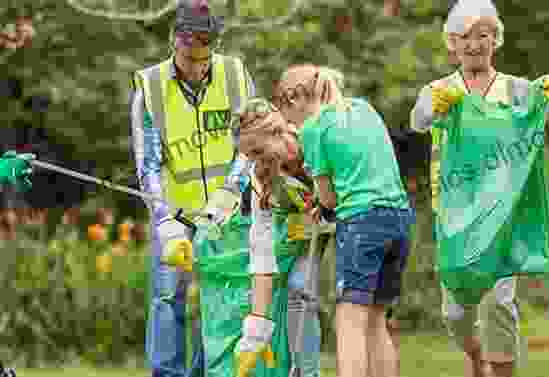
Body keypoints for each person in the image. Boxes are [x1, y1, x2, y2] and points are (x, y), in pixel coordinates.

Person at [408, 1, 549, 376]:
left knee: (498, 302)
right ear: (452, 44)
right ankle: (476, 356)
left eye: (483, 35)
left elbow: (543, 125)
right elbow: (416, 122)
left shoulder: (515, 89)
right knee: (454, 311)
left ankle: (502, 370)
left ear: (496, 40)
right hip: (454, 212)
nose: (474, 44)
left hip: (502, 211)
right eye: (465, 36)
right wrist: (431, 107)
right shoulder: (440, 88)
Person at [128, 1, 256, 376]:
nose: (197, 67)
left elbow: (250, 142)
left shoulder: (234, 75)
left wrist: (232, 192)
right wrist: (164, 221)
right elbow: (147, 163)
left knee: (219, 299)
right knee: (169, 297)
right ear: (175, 44)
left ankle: (207, 371)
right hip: (176, 214)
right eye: (188, 57)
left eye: (204, 57)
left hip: (224, 213)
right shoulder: (150, 88)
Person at [267, 64, 413, 377]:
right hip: (399, 219)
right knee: (376, 320)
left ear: (294, 99)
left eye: (286, 114)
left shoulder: (313, 129)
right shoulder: (363, 108)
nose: (290, 124)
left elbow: (329, 198)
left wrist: (322, 206)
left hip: (363, 224)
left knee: (349, 321)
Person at [234, 98, 335, 377]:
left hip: (350, 220)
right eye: (249, 155)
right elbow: (261, 254)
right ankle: (305, 372)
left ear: (276, 132)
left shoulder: (315, 139)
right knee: (298, 287)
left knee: (353, 300)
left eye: (256, 151)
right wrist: (255, 331)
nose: (254, 162)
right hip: (309, 231)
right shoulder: (261, 179)